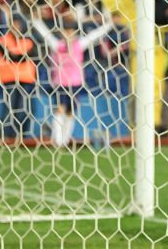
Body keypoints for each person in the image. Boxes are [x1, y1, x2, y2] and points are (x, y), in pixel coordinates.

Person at [33, 12, 113, 148]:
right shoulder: (57, 45)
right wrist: (35, 21)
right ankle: (57, 141)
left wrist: (108, 26)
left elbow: (94, 36)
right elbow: (45, 34)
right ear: (62, 32)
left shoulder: (79, 45)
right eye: (66, 31)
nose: (68, 34)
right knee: (60, 109)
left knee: (70, 112)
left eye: (71, 31)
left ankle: (65, 140)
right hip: (60, 83)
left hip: (75, 83)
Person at [0, 15, 37, 141]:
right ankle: (3, 137)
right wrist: (21, 56)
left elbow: (32, 56)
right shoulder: (2, 41)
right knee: (8, 110)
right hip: (9, 79)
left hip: (26, 80)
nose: (16, 27)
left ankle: (21, 137)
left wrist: (16, 55)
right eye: (14, 24)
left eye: (18, 24)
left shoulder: (28, 41)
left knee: (26, 110)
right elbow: (11, 57)